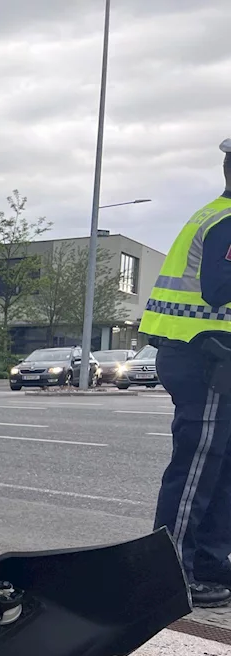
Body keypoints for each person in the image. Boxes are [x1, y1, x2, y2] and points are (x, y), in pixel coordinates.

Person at [140, 139, 231, 607]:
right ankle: (170, 573)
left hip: (207, 354)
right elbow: (219, 288)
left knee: (222, 467)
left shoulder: (212, 215)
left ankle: (211, 562)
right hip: (208, 356)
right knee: (198, 468)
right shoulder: (226, 220)